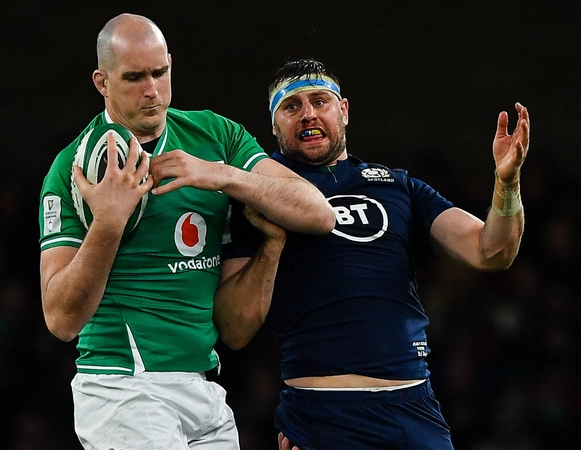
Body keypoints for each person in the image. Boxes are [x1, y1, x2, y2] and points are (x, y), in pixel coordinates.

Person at [37, 15, 335, 450]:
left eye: (160, 72)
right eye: (134, 77)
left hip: (204, 387)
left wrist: (219, 174)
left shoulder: (215, 136)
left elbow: (318, 213)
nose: (152, 90)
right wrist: (108, 222)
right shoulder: (74, 169)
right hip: (124, 388)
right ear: (102, 82)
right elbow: (60, 319)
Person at [219, 59, 529, 450]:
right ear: (274, 125)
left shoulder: (399, 186)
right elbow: (234, 329)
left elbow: (491, 251)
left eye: (320, 101)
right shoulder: (255, 195)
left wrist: (507, 182)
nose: (308, 114)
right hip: (323, 415)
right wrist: (273, 244)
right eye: (291, 106)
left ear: (344, 110)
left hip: (412, 408)